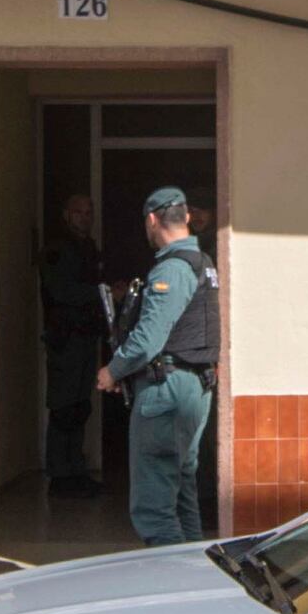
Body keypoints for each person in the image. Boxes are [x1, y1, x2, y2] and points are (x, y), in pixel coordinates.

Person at [96, 183, 218, 547]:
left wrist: (112, 371)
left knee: (155, 506)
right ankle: (196, 580)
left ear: (152, 220)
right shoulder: (203, 262)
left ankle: (173, 586)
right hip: (193, 386)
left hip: (167, 390)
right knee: (182, 495)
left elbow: (148, 339)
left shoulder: (173, 268)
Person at [38, 188, 116, 496]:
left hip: (84, 336)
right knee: (64, 407)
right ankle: (61, 475)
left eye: (89, 212)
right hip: (65, 338)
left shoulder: (86, 247)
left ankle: (74, 471)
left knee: (79, 405)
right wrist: (102, 292)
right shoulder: (58, 249)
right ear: (66, 216)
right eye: (78, 212)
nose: (85, 219)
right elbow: (62, 291)